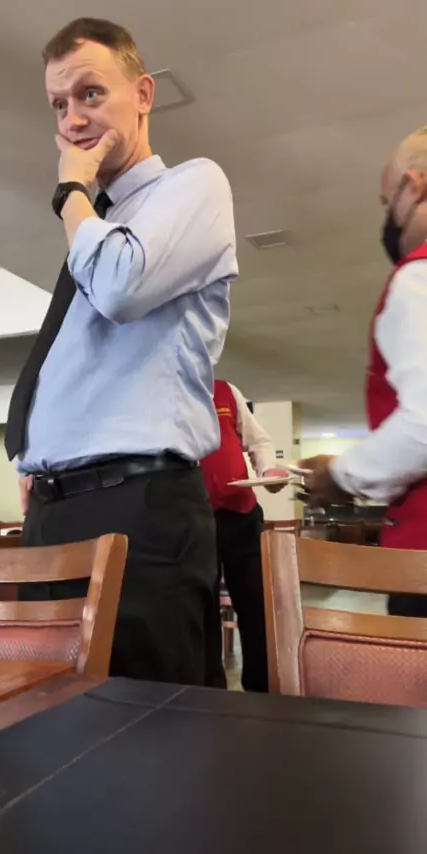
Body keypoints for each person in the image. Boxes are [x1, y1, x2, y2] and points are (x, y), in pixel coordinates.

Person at [4, 17, 238, 686]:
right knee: (47, 720)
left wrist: (71, 191)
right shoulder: (95, 229)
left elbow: (119, 287)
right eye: (58, 104)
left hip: (138, 508)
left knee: (153, 728)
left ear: (142, 94)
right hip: (53, 513)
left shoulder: (192, 186)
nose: (73, 119)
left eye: (90, 93)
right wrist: (35, 451)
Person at [300, 125, 427, 617]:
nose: (388, 219)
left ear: (414, 187)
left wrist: (339, 474)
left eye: (386, 202)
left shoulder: (417, 277)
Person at [200, 380, 288, 691]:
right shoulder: (163, 390)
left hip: (242, 513)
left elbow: (258, 441)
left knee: (257, 605)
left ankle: (263, 690)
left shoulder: (225, 391)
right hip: (194, 519)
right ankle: (209, 694)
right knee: (201, 611)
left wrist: (268, 470)